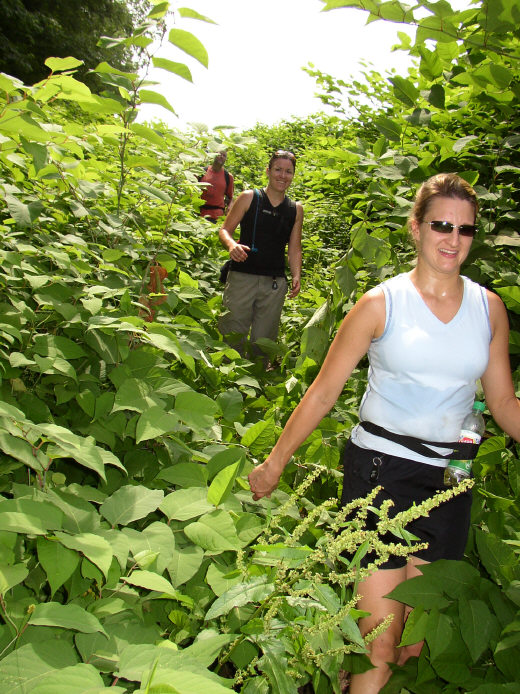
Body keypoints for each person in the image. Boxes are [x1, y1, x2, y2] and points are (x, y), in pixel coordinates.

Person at [248, 173, 520, 693]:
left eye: (465, 229)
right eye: (441, 224)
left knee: (412, 643)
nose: (452, 239)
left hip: (449, 480)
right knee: (378, 640)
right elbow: (324, 392)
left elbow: (504, 404)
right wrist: (276, 461)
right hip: (381, 473)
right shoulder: (380, 304)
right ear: (415, 228)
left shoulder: (488, 310)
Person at [217, 150, 303, 357]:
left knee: (264, 340)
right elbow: (224, 230)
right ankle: (227, 377)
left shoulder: (295, 209)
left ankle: (258, 378)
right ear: (268, 171)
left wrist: (296, 274)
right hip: (242, 276)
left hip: (274, 283)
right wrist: (231, 246)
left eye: (288, 172)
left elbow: (294, 247)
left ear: (293, 175)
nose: (282, 176)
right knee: (232, 332)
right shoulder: (249, 198)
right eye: (278, 170)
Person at [199, 150, 234, 222]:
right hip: (200, 213)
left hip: (217, 216)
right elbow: (191, 191)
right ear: (213, 155)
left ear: (225, 159)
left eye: (224, 155)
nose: (221, 156)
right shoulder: (201, 172)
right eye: (219, 154)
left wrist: (230, 208)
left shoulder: (228, 176)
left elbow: (230, 198)